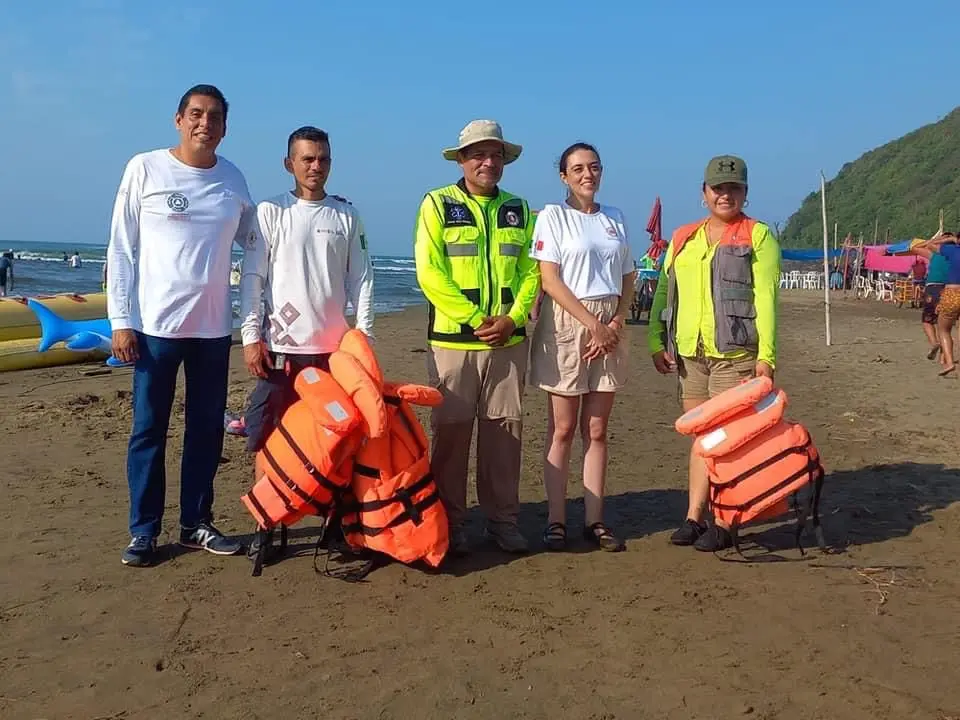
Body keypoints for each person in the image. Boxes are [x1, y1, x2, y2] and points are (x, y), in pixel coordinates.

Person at [107, 84, 264, 567]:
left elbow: (256, 241)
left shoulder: (233, 179)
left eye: (214, 117)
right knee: (149, 430)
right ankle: (144, 531)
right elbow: (121, 247)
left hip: (213, 331)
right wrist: (121, 320)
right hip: (154, 328)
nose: (205, 123)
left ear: (224, 127)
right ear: (178, 119)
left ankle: (197, 522)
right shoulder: (145, 168)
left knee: (204, 432)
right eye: (196, 114)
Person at [414, 119, 541, 555]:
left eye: (496, 155)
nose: (488, 162)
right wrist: (472, 318)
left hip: (508, 342)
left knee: (505, 435)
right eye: (478, 155)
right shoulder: (437, 203)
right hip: (453, 342)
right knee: (450, 437)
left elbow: (532, 269)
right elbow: (430, 272)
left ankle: (503, 521)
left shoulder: (520, 210)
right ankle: (450, 521)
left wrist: (513, 317)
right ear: (463, 160)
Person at [648, 155, 781, 552]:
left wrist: (766, 359)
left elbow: (767, 299)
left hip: (736, 355)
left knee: (728, 440)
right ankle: (694, 516)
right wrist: (656, 340)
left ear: (745, 192)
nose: (726, 194)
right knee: (702, 439)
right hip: (691, 356)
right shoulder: (682, 237)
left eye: (734, 188)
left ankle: (725, 521)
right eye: (718, 188)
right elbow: (662, 292)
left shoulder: (758, 236)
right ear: (704, 193)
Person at [241, 125, 374, 480]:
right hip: (281, 350)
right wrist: (251, 337)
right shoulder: (270, 212)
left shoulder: (347, 215)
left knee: (332, 439)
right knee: (266, 437)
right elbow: (253, 277)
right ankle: (265, 526)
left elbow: (361, 279)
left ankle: (331, 523)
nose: (316, 166)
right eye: (307, 159)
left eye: (323, 159)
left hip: (333, 354)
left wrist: (365, 337)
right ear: (290, 163)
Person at [528, 142, 635, 552]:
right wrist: (592, 324)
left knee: (597, 429)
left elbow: (628, 275)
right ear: (563, 176)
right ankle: (556, 519)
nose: (587, 174)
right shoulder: (553, 216)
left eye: (593, 167)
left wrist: (616, 321)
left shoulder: (615, 218)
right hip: (568, 323)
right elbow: (550, 279)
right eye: (577, 169)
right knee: (563, 427)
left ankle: (595, 519)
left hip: (609, 323)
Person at [907, 233, 949, 362]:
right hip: (949, 290)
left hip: (933, 289)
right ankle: (944, 357)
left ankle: (934, 343)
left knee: (927, 320)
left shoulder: (934, 255)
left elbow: (913, 248)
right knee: (944, 326)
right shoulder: (955, 256)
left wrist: (933, 240)